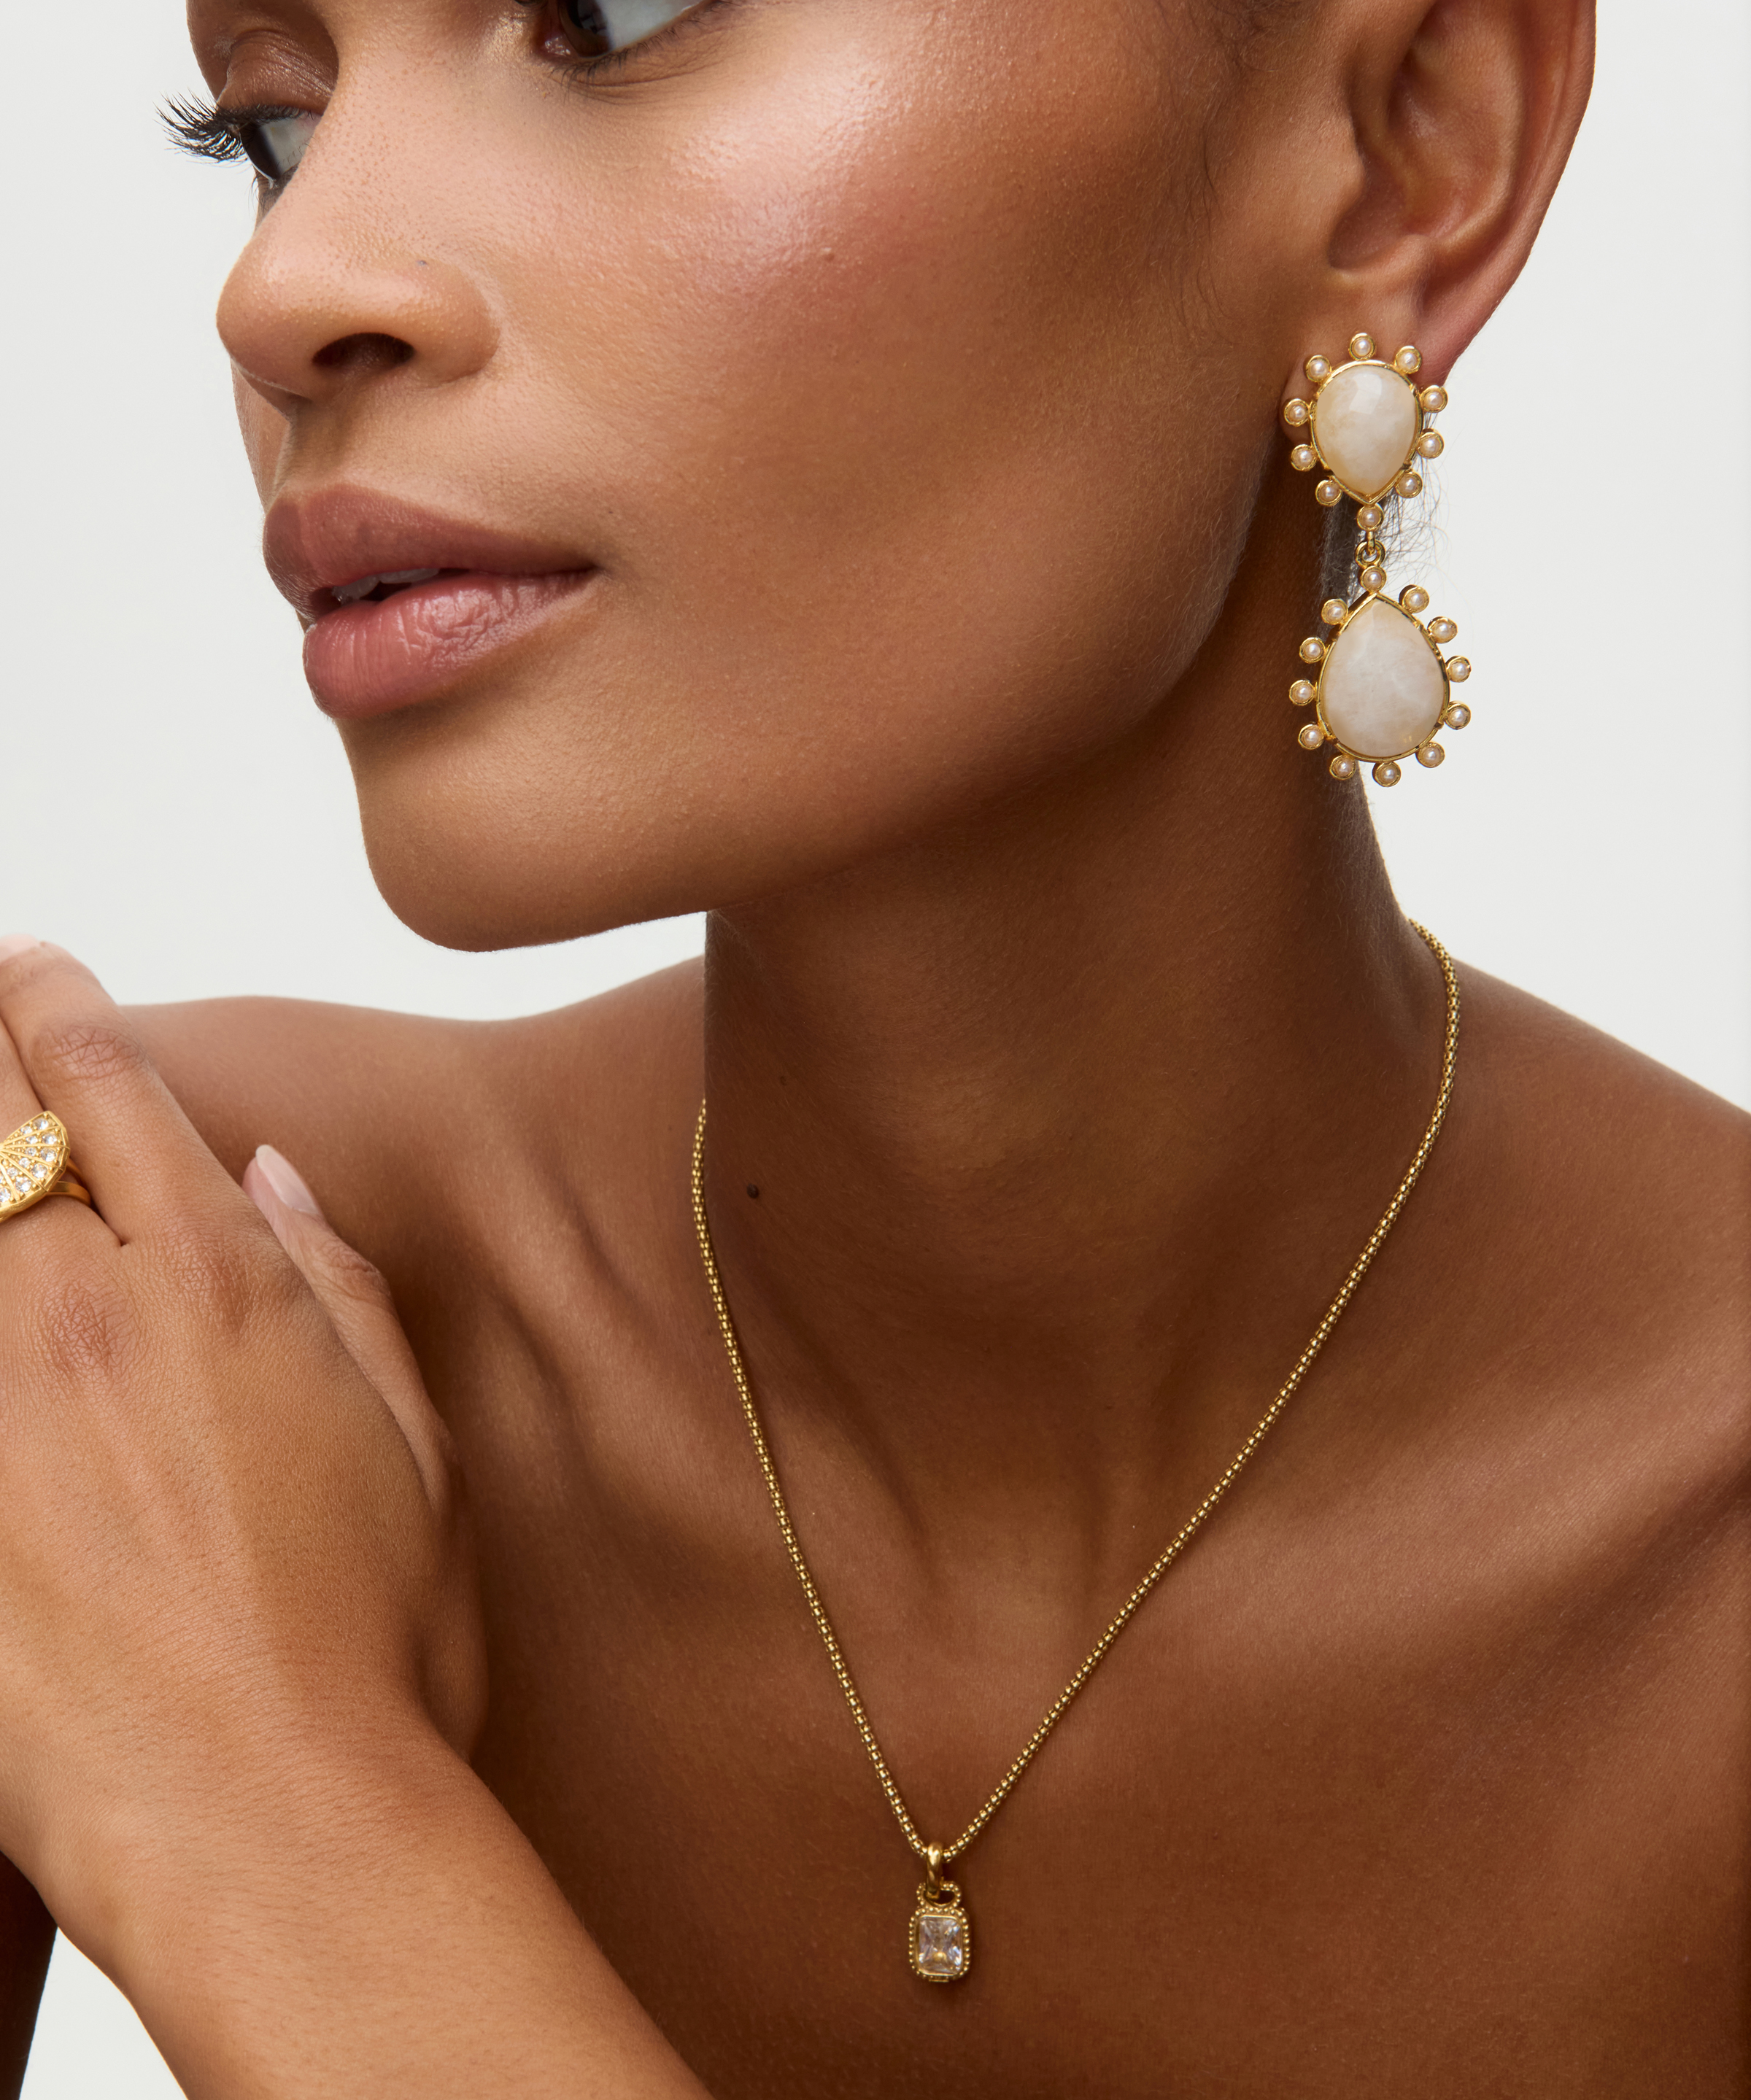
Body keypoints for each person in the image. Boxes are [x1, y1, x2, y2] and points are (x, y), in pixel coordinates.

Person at [0, 0, 1744, 2092]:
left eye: (613, 19)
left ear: (1400, 150)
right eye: (272, 129)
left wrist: (276, 1816)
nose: (286, 286)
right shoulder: (107, 1336)